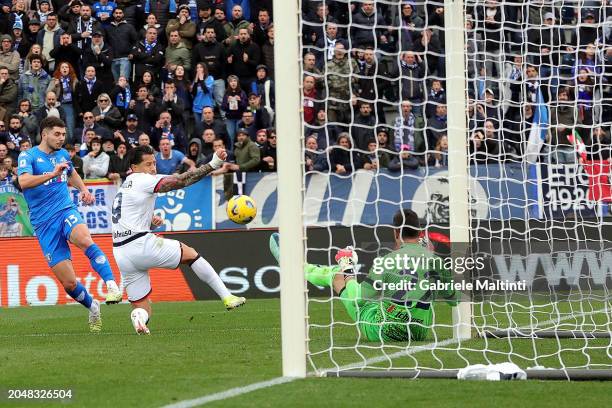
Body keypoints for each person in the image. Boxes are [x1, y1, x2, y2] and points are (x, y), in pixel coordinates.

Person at [111, 145, 245, 334]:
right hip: (140, 244)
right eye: (148, 164)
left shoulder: (124, 187)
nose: (153, 168)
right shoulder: (143, 180)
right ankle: (227, 297)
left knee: (143, 306)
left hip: (122, 252)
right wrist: (213, 164)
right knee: (191, 255)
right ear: (134, 167)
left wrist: (149, 225)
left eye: (154, 163)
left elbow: (126, 221)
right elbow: (182, 180)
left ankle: (138, 318)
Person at [269, 208, 458, 342]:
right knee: (380, 299)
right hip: (419, 332)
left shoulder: (386, 261)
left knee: (337, 275)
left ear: (395, 233)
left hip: (383, 331)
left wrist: (348, 269)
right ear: (420, 232)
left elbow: (359, 299)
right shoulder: (435, 261)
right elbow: (454, 300)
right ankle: (298, 266)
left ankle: (293, 266)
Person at [17, 117, 122, 332]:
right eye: (57, 134)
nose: (61, 138)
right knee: (69, 284)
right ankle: (93, 306)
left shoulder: (63, 155)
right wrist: (52, 174)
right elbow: (24, 181)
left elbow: (72, 174)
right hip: (44, 225)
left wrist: (83, 190)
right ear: (44, 134)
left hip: (65, 210)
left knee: (85, 240)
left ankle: (112, 285)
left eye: (63, 134)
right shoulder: (28, 156)